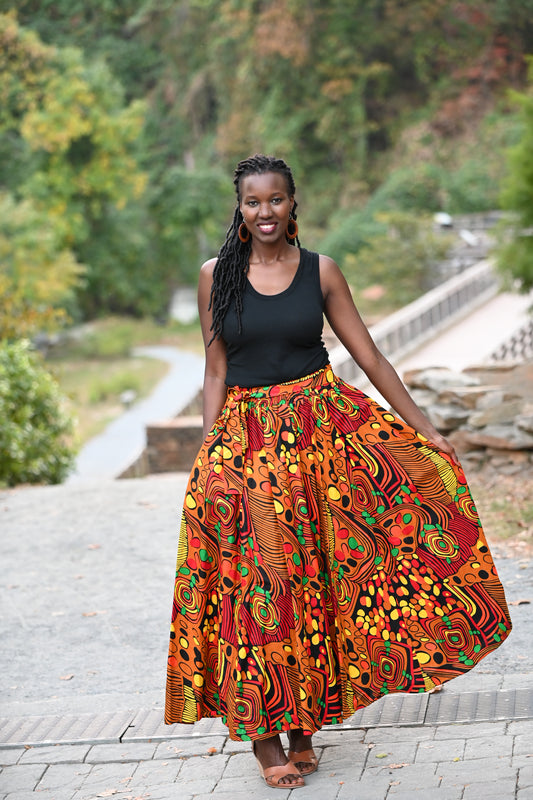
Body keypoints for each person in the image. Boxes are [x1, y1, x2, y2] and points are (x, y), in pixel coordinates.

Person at [165, 154, 512, 789]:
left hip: (321, 442)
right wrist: (207, 454)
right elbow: (214, 371)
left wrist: (424, 429)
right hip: (246, 448)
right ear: (238, 209)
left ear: (293, 204)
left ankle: (303, 728)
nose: (264, 211)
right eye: (252, 202)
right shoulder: (216, 276)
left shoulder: (322, 272)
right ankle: (266, 737)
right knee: (258, 588)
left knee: (312, 586)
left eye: (276, 200)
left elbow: (371, 358)